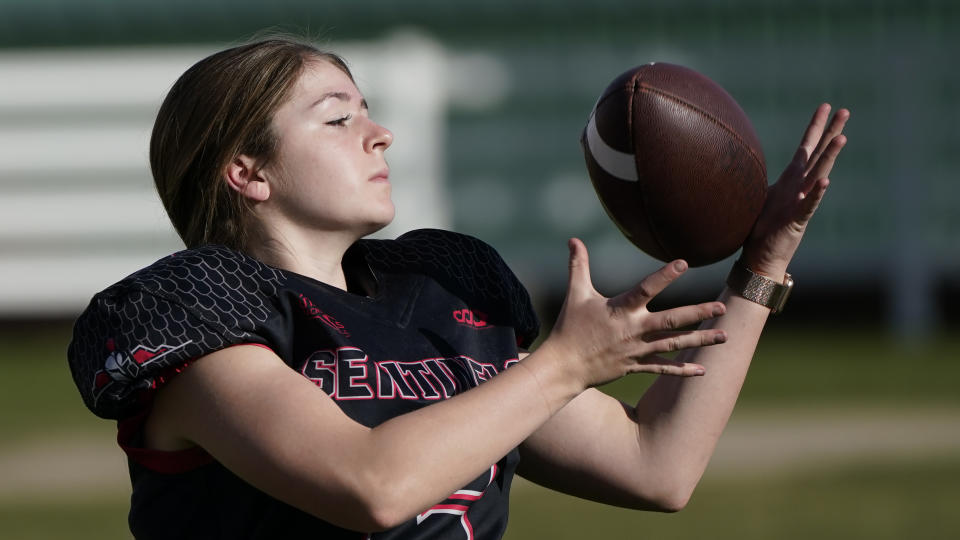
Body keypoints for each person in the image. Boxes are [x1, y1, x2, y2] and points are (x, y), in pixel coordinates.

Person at [67, 37, 849, 539]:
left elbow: (657, 466)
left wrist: (763, 263)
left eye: (368, 111)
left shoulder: (441, 290)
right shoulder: (204, 315)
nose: (379, 134)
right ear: (248, 171)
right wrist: (559, 366)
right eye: (337, 119)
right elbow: (372, 486)